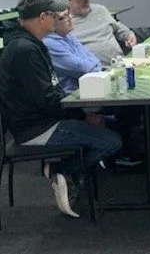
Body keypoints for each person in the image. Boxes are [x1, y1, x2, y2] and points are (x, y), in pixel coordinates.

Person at [0, 0, 122, 218]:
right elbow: (47, 101)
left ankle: (73, 173)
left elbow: (50, 96)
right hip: (37, 128)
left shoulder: (31, 44)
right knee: (111, 141)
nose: (60, 19)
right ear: (43, 17)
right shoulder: (25, 51)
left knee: (111, 124)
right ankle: (61, 170)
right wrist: (82, 115)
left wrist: (80, 114)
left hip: (43, 119)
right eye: (56, 15)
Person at [45, 9, 144, 166]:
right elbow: (82, 67)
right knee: (130, 103)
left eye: (68, 14)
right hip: (78, 96)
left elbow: (92, 59)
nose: (70, 19)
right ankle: (116, 151)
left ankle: (124, 145)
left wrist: (92, 65)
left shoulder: (68, 36)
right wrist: (92, 65)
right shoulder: (51, 44)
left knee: (132, 100)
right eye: (63, 17)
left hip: (93, 85)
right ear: (51, 23)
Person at [66, 0, 136, 65]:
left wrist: (129, 35)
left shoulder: (100, 10)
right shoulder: (65, 21)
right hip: (95, 71)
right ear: (69, 0)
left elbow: (117, 28)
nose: (86, 1)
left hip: (120, 63)